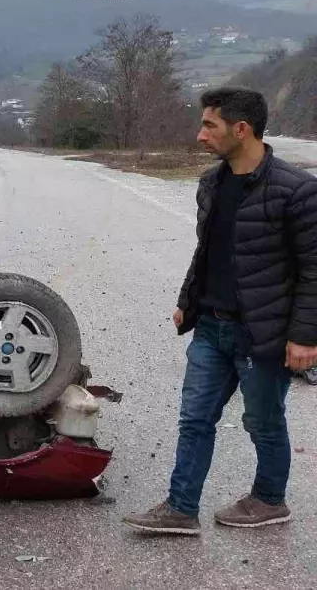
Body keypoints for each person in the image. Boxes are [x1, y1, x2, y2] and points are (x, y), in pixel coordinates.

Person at [123, 86, 317, 535]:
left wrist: (305, 336)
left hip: (262, 332)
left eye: (210, 124)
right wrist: (188, 302)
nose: (200, 134)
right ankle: (181, 508)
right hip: (211, 325)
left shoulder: (298, 191)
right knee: (194, 418)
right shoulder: (212, 182)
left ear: (241, 129)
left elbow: (313, 271)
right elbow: (207, 251)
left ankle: (269, 498)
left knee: (262, 422)